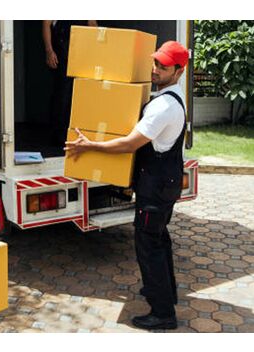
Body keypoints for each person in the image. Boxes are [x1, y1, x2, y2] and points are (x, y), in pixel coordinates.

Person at [64, 41, 190, 330]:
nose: (156, 69)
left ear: (179, 71)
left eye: (163, 66)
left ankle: (162, 314)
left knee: (148, 246)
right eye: (155, 63)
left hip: (156, 188)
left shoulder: (163, 106)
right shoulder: (174, 97)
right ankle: (164, 292)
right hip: (165, 183)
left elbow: (130, 144)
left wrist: (91, 145)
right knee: (159, 239)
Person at [42, 20, 97, 146]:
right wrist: (49, 51)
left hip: (82, 54)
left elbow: (93, 25)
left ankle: (77, 134)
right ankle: (58, 135)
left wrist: (97, 51)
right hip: (62, 53)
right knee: (62, 95)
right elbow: (46, 25)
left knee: (80, 94)